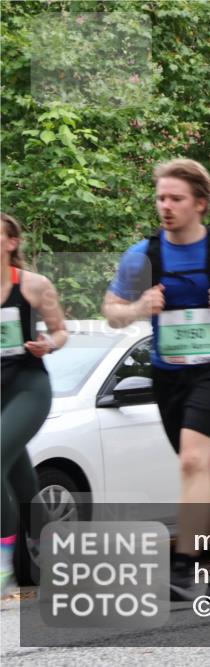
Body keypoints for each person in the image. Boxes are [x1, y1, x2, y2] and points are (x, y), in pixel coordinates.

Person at [102, 159, 210, 600]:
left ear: (199, 203)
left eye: (175, 199)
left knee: (193, 462)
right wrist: (139, 308)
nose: (165, 206)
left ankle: (183, 565)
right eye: (160, 198)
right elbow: (111, 311)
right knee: (201, 466)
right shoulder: (143, 256)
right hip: (169, 375)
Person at [1, 212, 68, 594]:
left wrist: (48, 344)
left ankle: (3, 567)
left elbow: (60, 332)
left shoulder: (33, 286)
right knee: (22, 482)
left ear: (11, 243)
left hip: (28, 387)